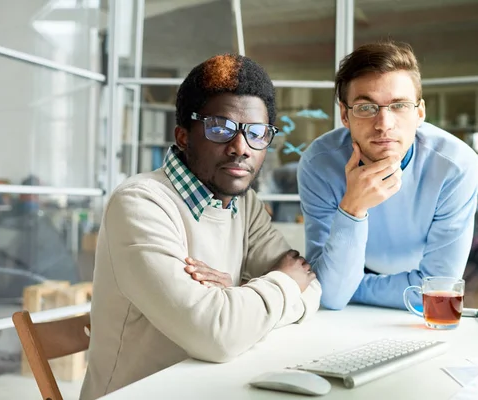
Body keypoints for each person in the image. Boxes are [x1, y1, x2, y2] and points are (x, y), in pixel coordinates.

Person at [80, 54, 321, 400]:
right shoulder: (140, 204)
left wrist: (234, 297)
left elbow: (310, 288)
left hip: (218, 387)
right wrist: (276, 287)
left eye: (256, 133)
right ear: (182, 135)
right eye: (220, 128)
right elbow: (219, 336)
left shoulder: (245, 203)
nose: (241, 147)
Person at [297, 40, 478, 310]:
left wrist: (347, 286)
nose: (384, 124)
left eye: (399, 105)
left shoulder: (455, 165)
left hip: (406, 300)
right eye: (366, 107)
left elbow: (439, 291)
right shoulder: (317, 164)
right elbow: (332, 297)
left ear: (420, 113)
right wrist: (352, 208)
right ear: (344, 115)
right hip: (351, 299)